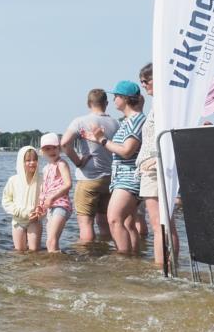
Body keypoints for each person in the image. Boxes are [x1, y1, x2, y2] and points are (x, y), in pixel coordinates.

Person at [85, 80, 146, 255]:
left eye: (116, 96)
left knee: (114, 220)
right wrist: (98, 138)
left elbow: (127, 151)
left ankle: (123, 259)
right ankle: (134, 260)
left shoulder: (136, 120)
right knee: (128, 223)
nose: (113, 101)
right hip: (123, 178)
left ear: (125, 99)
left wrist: (103, 140)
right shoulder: (128, 121)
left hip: (128, 179)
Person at [60, 89, 120, 243]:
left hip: (89, 179)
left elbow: (65, 143)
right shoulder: (115, 123)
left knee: (86, 223)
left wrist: (78, 162)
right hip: (109, 179)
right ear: (106, 104)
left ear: (88, 104)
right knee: (104, 222)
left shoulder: (80, 121)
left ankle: (88, 258)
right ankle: (105, 249)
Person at [136, 64, 180, 267]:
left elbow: (172, 133)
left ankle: (162, 269)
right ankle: (170, 268)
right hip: (154, 169)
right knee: (165, 225)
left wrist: (156, 158)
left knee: (159, 225)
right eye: (142, 81)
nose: (143, 85)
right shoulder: (160, 104)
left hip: (156, 171)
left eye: (147, 80)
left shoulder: (164, 104)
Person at [2, 146, 41, 251]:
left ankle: (35, 266)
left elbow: (45, 200)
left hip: (34, 220)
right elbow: (6, 200)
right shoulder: (13, 180)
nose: (32, 163)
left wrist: (39, 213)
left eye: (35, 159)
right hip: (18, 220)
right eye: (28, 160)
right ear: (21, 162)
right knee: (19, 250)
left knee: (34, 250)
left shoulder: (42, 180)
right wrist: (18, 211)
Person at [37, 133, 72, 253]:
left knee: (51, 240)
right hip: (50, 206)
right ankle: (56, 266)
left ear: (59, 148)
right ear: (42, 151)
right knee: (50, 242)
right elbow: (44, 188)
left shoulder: (61, 164)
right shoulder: (46, 168)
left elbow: (68, 184)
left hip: (61, 205)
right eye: (47, 148)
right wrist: (41, 205)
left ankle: (54, 269)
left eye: (54, 147)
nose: (51, 151)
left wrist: (52, 197)